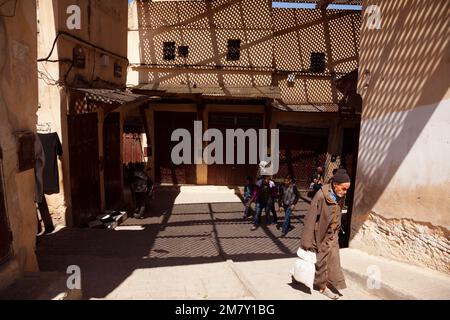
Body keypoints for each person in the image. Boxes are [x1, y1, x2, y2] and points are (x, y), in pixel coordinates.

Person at [300, 168, 351, 299]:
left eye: (347, 189)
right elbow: (310, 218)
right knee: (321, 260)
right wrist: (306, 241)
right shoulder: (321, 195)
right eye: (344, 189)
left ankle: (331, 282)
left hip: (333, 234)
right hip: (320, 233)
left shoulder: (340, 195)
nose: (346, 192)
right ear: (335, 185)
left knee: (334, 259)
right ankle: (322, 287)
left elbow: (337, 213)